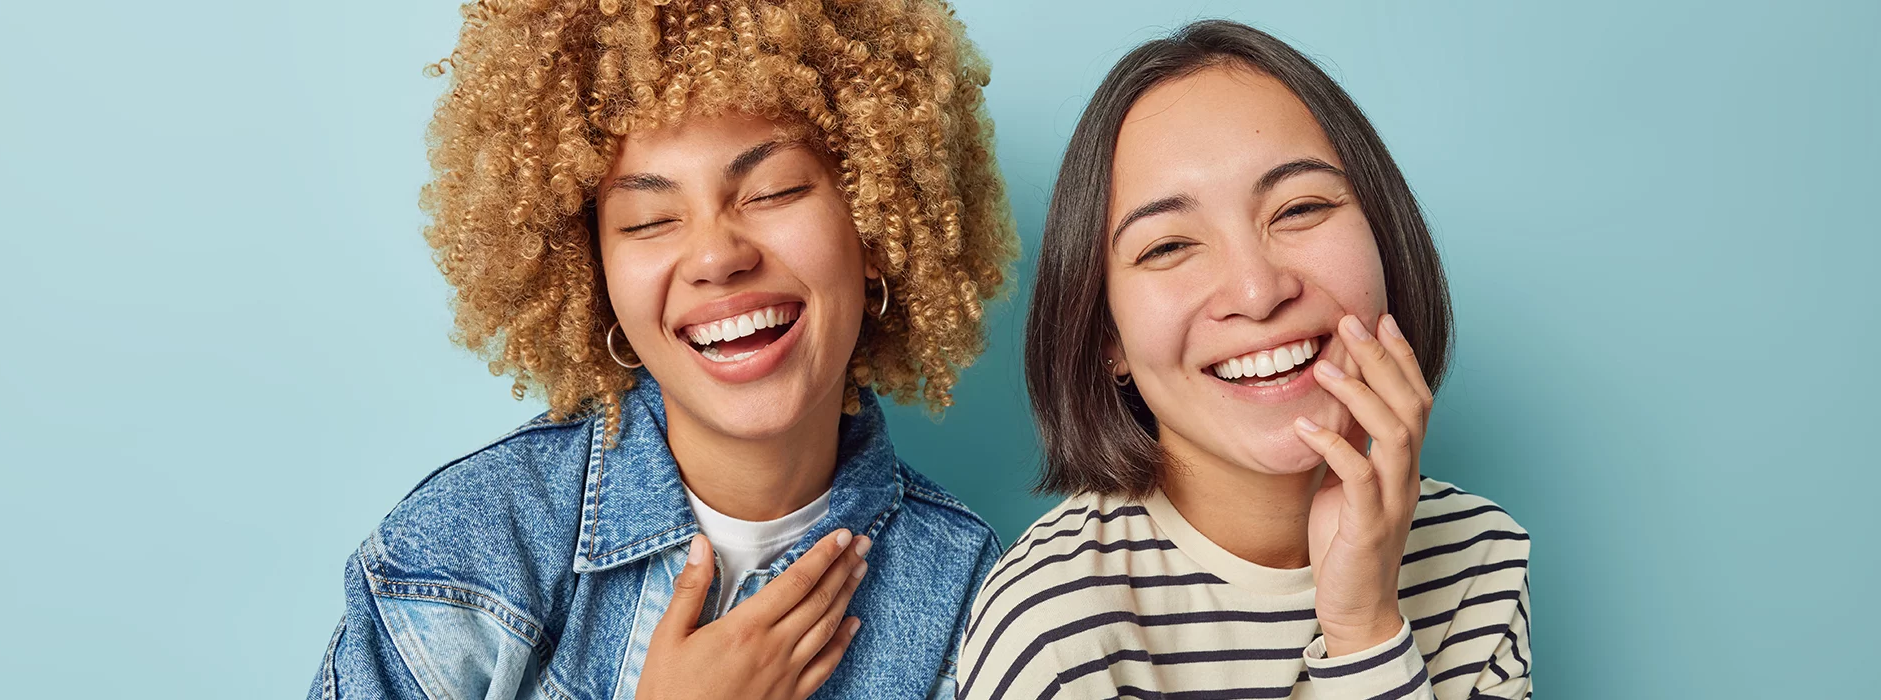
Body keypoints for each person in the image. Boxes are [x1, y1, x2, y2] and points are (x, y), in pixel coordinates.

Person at [309, 1, 1017, 698]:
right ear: (592, 278)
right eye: (650, 220)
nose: (717, 255)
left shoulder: (975, 600)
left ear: (874, 223)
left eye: (773, 191)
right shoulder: (467, 550)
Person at [958, 20, 1530, 700]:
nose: (1258, 294)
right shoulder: (1052, 628)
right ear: (1106, 336)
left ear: (1384, 235)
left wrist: (1366, 629)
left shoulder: (1477, 558)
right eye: (1168, 246)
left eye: (1300, 208)